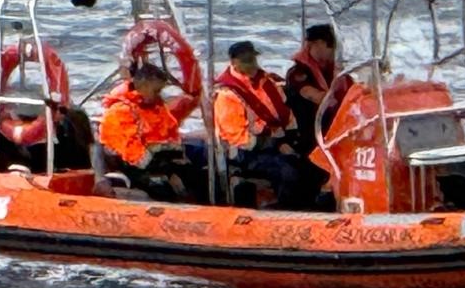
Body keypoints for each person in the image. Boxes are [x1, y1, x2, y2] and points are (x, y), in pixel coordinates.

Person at [214, 40, 306, 207]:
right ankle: (284, 213)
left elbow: (286, 113)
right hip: (246, 153)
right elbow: (236, 138)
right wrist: (274, 143)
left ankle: (307, 208)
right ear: (234, 62)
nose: (251, 65)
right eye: (246, 60)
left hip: (278, 141)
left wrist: (290, 140)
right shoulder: (228, 94)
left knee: (309, 163)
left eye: (253, 59)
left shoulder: (267, 82)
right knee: (288, 171)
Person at [99, 63, 206, 202]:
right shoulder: (120, 111)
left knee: (198, 174)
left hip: (160, 160)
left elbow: (171, 133)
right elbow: (133, 153)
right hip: (133, 166)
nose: (158, 95)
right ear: (142, 85)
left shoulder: (157, 107)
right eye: (156, 90)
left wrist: (176, 157)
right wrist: (162, 164)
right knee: (162, 187)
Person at [283, 24, 342, 155]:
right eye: (329, 46)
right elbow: (315, 97)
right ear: (317, 44)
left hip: (331, 126)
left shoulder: (330, 69)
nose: (332, 51)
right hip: (307, 131)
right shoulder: (298, 73)